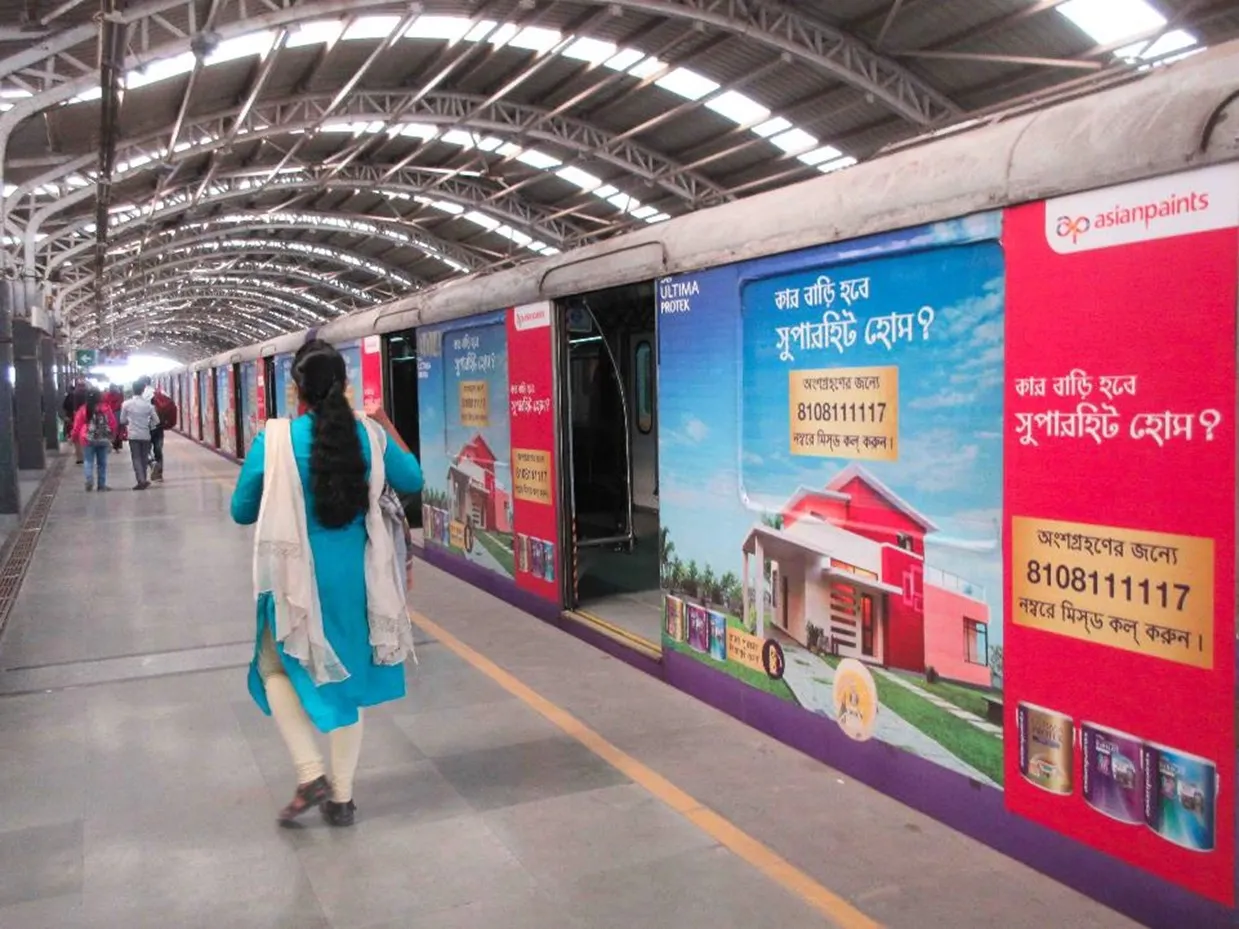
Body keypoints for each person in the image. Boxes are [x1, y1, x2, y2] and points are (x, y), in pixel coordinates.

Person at [230, 340, 424, 827]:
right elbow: (414, 478)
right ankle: (342, 798)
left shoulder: (273, 441)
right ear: (346, 387)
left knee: (272, 665)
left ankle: (311, 772)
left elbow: (241, 511)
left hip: (297, 583)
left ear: (296, 390)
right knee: (348, 682)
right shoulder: (369, 437)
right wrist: (381, 422)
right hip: (358, 580)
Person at [71, 387, 117, 492]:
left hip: (88, 438)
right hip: (103, 438)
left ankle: (89, 479)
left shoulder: (83, 409)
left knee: (88, 461)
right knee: (102, 463)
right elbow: (112, 423)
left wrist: (73, 437)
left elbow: (77, 425)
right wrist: (113, 436)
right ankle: (101, 485)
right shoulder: (106, 408)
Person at [120, 381, 160, 490]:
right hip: (146, 435)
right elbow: (157, 421)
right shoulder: (149, 406)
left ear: (133, 390)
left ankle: (141, 480)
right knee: (143, 458)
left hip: (133, 435)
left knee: (136, 458)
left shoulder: (126, 404)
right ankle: (144, 478)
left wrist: (130, 421)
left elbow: (122, 420)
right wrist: (147, 424)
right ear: (143, 390)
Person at [148, 381, 177, 482]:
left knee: (145, 449)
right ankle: (159, 474)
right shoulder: (159, 393)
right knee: (158, 450)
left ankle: (151, 465)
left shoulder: (141, 395)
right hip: (159, 427)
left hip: (145, 428)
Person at [62, 380, 87, 464]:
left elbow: (65, 406)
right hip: (87, 416)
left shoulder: (72, 394)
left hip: (75, 416)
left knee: (77, 436)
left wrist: (68, 416)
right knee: (86, 434)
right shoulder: (89, 394)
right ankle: (86, 453)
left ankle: (79, 456)